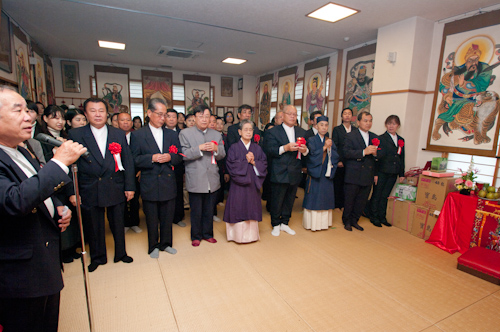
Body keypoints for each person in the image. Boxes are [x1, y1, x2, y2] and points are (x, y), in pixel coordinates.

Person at [0, 86, 87, 332]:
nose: (29, 117)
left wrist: (58, 207)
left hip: (42, 262)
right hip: (18, 274)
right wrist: (59, 161)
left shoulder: (21, 150)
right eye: (19, 111)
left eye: (28, 110)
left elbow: (36, 189)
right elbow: (14, 201)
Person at [68, 97, 135, 272]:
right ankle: (98, 257)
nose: (97, 114)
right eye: (93, 111)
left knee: (118, 222)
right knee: (94, 224)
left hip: (115, 185)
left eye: (101, 111)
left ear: (107, 113)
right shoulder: (76, 134)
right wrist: (73, 191)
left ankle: (121, 253)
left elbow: (127, 161)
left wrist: (130, 186)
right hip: (90, 187)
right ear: (86, 113)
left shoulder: (118, 133)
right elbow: (69, 166)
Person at [131, 99, 182, 258]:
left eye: (164, 115)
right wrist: (151, 158)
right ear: (149, 113)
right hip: (149, 182)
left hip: (168, 181)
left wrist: (170, 157)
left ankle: (166, 243)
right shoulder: (138, 135)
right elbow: (134, 159)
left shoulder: (172, 134)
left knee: (167, 216)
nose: (162, 118)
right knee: (151, 217)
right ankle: (153, 245)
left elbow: (179, 156)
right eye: (159, 114)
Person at [179, 105, 226, 247]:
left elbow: (222, 154)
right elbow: (183, 154)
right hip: (195, 177)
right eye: (201, 116)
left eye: (207, 116)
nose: (204, 119)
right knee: (196, 210)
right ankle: (196, 236)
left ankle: (208, 234)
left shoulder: (216, 134)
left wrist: (217, 149)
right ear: (194, 118)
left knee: (209, 209)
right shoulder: (185, 133)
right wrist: (198, 148)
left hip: (212, 178)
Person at [264, 105, 308, 236]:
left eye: (295, 114)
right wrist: (285, 148)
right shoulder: (273, 132)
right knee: (277, 199)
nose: (293, 116)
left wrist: (305, 150)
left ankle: (285, 223)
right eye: (290, 114)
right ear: (282, 115)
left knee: (290, 199)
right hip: (279, 170)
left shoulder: (302, 132)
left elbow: (307, 151)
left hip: (295, 170)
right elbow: (269, 150)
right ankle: (276, 224)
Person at [223, 120, 267, 243]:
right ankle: (236, 236)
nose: (248, 132)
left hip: (252, 184)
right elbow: (230, 165)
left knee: (251, 208)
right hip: (238, 186)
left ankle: (251, 236)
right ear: (239, 132)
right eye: (245, 129)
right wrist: (245, 162)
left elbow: (264, 164)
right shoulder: (234, 148)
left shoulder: (257, 148)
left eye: (250, 130)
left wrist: (254, 162)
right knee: (237, 208)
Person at [342, 111, 378, 232]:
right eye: (365, 120)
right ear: (358, 122)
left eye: (370, 120)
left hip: (367, 174)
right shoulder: (351, 135)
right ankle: (346, 221)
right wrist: (364, 152)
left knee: (361, 200)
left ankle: (355, 220)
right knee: (349, 199)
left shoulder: (374, 137)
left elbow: (381, 155)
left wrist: (376, 153)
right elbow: (346, 153)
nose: (368, 123)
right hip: (353, 173)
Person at [302, 116, 339, 231]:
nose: (324, 127)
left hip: (326, 173)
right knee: (314, 198)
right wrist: (324, 147)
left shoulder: (330, 140)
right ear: (316, 126)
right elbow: (311, 156)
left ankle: (323, 224)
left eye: (326, 125)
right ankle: (312, 224)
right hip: (316, 173)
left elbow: (336, 156)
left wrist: (330, 149)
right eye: (321, 125)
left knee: (325, 198)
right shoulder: (312, 140)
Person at [369, 115, 405, 227]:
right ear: (386, 125)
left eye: (394, 124)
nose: (391, 126)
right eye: (389, 123)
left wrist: (401, 173)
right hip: (381, 171)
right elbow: (376, 158)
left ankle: (382, 217)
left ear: (398, 126)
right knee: (377, 195)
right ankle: (373, 217)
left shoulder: (401, 140)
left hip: (393, 172)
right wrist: (375, 174)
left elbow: (402, 157)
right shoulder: (380, 138)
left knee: (385, 196)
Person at [118, 112, 143, 234]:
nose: (126, 123)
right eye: (122, 120)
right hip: (118, 173)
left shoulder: (137, 136)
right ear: (118, 122)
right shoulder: (113, 136)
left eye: (128, 120)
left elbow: (142, 154)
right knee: (120, 200)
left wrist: (140, 170)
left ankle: (134, 222)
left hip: (135, 173)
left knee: (134, 200)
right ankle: (123, 223)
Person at [165, 108, 187, 227]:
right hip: (164, 168)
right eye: (169, 116)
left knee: (178, 192)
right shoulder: (160, 132)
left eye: (174, 117)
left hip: (178, 167)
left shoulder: (182, 132)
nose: (172, 119)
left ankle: (178, 217)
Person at [332, 108, 353, 210]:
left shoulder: (355, 130)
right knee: (338, 183)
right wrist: (339, 160)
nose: (347, 115)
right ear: (342, 116)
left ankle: (345, 204)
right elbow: (335, 146)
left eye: (349, 114)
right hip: (340, 161)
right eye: (345, 114)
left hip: (351, 162)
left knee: (348, 185)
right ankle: (337, 204)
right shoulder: (337, 129)